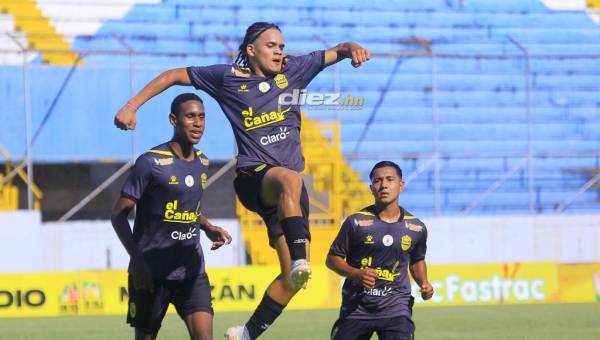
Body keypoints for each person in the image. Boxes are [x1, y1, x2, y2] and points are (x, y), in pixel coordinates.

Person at [113, 22, 370, 339]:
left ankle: (246, 333)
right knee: (291, 181)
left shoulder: (296, 69)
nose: (279, 51)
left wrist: (352, 48)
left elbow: (339, 50)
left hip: (287, 197)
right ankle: (301, 259)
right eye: (272, 45)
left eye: (282, 46)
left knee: (293, 280)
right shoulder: (227, 78)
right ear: (251, 50)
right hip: (255, 177)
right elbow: (174, 75)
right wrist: (131, 105)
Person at [111, 93, 232, 340]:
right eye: (190, 116)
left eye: (201, 117)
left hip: (191, 269)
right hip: (151, 272)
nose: (198, 123)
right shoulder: (150, 163)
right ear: (173, 120)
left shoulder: (203, 162)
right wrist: (138, 261)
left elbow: (188, 207)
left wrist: (207, 226)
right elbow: (118, 216)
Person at [326, 161, 434, 340]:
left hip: (396, 309)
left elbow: (417, 259)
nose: (383, 185)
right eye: (378, 181)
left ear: (401, 185)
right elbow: (332, 259)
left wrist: (424, 282)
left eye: (390, 179)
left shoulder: (416, 227)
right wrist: (356, 274)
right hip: (356, 309)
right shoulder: (356, 222)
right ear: (371, 188)